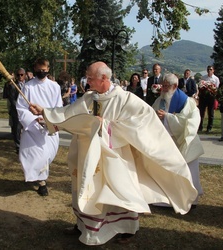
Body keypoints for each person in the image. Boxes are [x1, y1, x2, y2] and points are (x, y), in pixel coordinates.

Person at [29, 61, 197, 245]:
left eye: (91, 78)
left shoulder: (124, 99)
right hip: (87, 153)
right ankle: (84, 227)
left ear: (104, 78)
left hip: (114, 155)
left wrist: (106, 125)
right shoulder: (90, 97)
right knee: (84, 188)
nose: (87, 82)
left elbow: (142, 121)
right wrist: (45, 112)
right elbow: (68, 113)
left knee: (120, 191)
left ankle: (126, 229)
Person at [152, 73, 204, 206]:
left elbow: (187, 123)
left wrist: (168, 117)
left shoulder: (185, 102)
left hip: (184, 141)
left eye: (166, 86)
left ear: (175, 86)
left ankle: (189, 200)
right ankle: (166, 200)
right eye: (162, 85)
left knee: (186, 172)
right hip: (166, 142)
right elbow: (151, 114)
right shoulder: (160, 100)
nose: (163, 88)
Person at [16, 58, 62, 196]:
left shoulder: (55, 86)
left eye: (44, 70)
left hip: (49, 126)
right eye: (39, 70)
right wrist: (35, 118)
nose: (41, 72)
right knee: (38, 155)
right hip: (33, 127)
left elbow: (58, 107)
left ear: (48, 69)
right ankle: (42, 183)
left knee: (48, 156)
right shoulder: (28, 87)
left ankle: (39, 176)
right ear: (34, 68)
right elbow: (21, 107)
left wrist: (49, 118)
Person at [3, 68, 23, 154]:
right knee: (17, 129)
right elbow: (12, 99)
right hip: (16, 111)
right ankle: (18, 146)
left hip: (27, 111)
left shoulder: (29, 85)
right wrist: (19, 108)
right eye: (18, 75)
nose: (20, 77)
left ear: (25, 75)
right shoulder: (12, 85)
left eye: (21, 75)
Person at [198, 65, 220, 133]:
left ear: (213, 70)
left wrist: (211, 89)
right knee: (201, 113)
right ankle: (200, 127)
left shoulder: (216, 79)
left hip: (211, 97)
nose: (209, 71)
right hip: (203, 97)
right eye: (208, 69)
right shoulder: (203, 77)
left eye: (210, 69)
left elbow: (216, 88)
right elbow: (200, 86)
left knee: (211, 113)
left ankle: (209, 127)